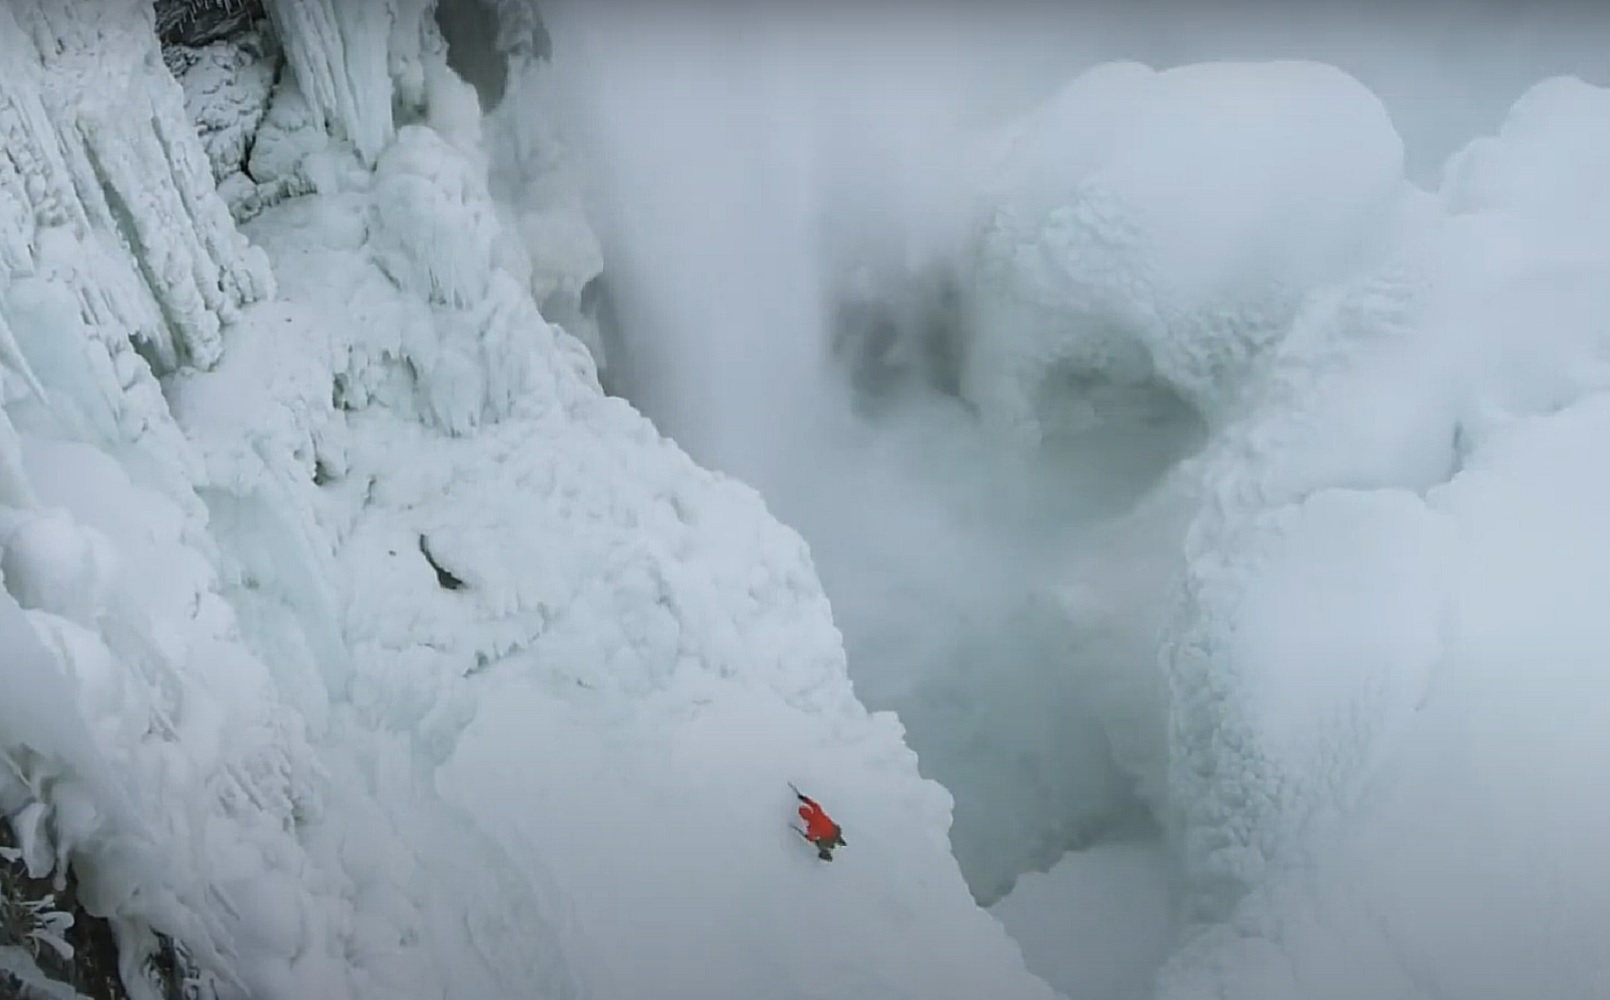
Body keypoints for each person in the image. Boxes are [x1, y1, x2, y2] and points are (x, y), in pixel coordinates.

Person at [793, 787, 846, 861]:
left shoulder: (812, 827)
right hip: (834, 830)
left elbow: (811, 837)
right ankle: (838, 839)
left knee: (819, 843)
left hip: (828, 838)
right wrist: (804, 799)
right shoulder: (817, 811)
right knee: (833, 832)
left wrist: (808, 837)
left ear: (805, 818)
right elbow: (814, 804)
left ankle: (825, 854)